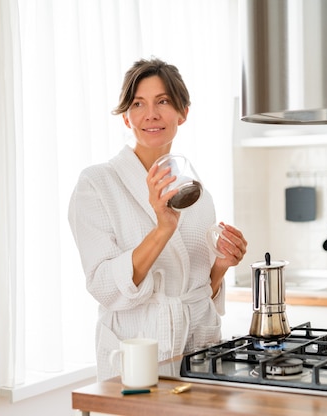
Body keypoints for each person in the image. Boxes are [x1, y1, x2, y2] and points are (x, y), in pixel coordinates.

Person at [68, 58, 247, 381]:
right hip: (136, 354)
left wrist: (221, 265)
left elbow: (201, 288)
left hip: (197, 352)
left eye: (163, 101)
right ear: (126, 117)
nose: (150, 114)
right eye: (138, 104)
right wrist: (163, 228)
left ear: (183, 112)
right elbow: (105, 286)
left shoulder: (197, 196)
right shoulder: (97, 185)